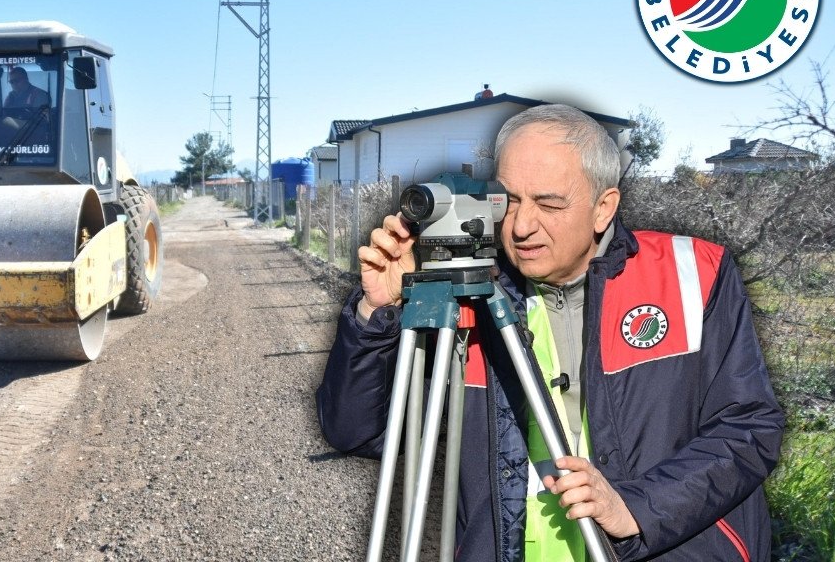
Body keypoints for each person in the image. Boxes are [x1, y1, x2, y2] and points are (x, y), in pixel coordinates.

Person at [316, 104, 784, 561]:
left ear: (603, 208)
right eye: (510, 200)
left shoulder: (693, 273)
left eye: (549, 203)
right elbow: (358, 432)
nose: (521, 226)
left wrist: (638, 509)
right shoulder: (463, 300)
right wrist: (377, 313)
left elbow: (749, 427)